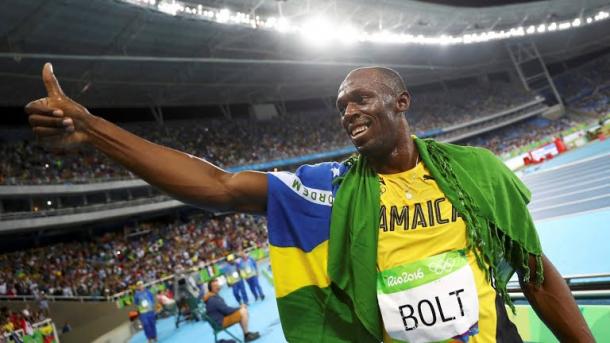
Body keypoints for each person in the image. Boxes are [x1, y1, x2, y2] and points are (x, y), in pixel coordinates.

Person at [25, 63, 594, 342]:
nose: (347, 111)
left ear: (401, 101)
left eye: (360, 99)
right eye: (341, 105)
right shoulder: (328, 189)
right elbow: (220, 187)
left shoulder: (477, 173)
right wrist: (95, 130)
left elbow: (537, 273)